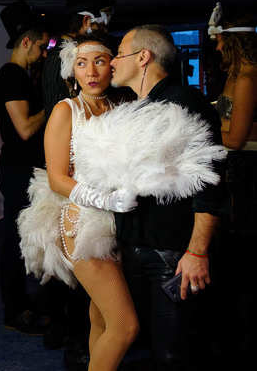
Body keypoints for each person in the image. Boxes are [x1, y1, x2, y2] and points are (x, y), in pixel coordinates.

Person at [110, 25, 227, 371]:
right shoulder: (142, 105)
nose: (113, 61)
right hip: (141, 245)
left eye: (119, 52)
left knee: (174, 353)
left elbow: (211, 187)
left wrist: (196, 252)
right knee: (150, 346)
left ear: (143, 57)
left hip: (172, 254)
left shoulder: (184, 104)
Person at [19, 35, 140, 371]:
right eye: (82, 63)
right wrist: (103, 198)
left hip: (120, 221)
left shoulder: (119, 107)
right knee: (126, 326)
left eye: (99, 61)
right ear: (72, 70)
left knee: (100, 316)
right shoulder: (65, 110)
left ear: (111, 65)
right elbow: (57, 177)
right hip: (85, 223)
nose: (91, 71)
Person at [0, 0, 50, 334]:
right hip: (17, 171)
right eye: (41, 46)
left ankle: (23, 304)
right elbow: (25, 128)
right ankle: (14, 311)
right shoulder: (10, 74)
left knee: (27, 238)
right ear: (25, 41)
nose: (43, 53)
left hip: (25, 169)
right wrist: (55, 106)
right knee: (15, 239)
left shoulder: (20, 74)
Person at [208, 8, 257, 362]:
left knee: (242, 252)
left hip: (247, 169)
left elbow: (236, 138)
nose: (215, 45)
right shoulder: (234, 73)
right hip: (234, 167)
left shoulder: (248, 77)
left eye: (219, 38)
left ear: (232, 39)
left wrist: (206, 134)